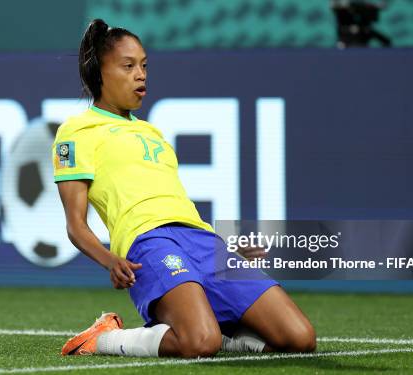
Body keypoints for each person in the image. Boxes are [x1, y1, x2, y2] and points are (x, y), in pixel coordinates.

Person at [53, 19, 316, 358]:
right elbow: (75, 224)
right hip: (148, 243)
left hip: (203, 242)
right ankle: (104, 337)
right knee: (199, 343)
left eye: (144, 65)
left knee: (300, 339)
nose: (141, 74)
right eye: (128, 66)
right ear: (99, 73)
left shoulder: (152, 133)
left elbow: (174, 205)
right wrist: (109, 260)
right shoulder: (77, 132)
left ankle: (221, 330)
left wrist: (224, 245)